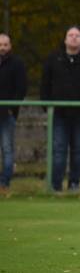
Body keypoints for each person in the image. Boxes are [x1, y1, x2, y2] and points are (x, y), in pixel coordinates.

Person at [40, 26, 80, 192]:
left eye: (77, 35)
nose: (74, 38)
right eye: (71, 35)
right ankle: (55, 185)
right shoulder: (54, 59)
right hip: (59, 114)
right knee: (59, 150)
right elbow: (45, 84)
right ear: (65, 39)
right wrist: (47, 107)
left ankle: (74, 184)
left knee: (78, 150)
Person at [0, 33, 27, 190]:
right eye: (0, 44)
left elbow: (21, 88)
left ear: (10, 46)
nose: (2, 48)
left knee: (7, 147)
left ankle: (5, 181)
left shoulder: (17, 64)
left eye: (5, 44)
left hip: (7, 114)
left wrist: (12, 108)